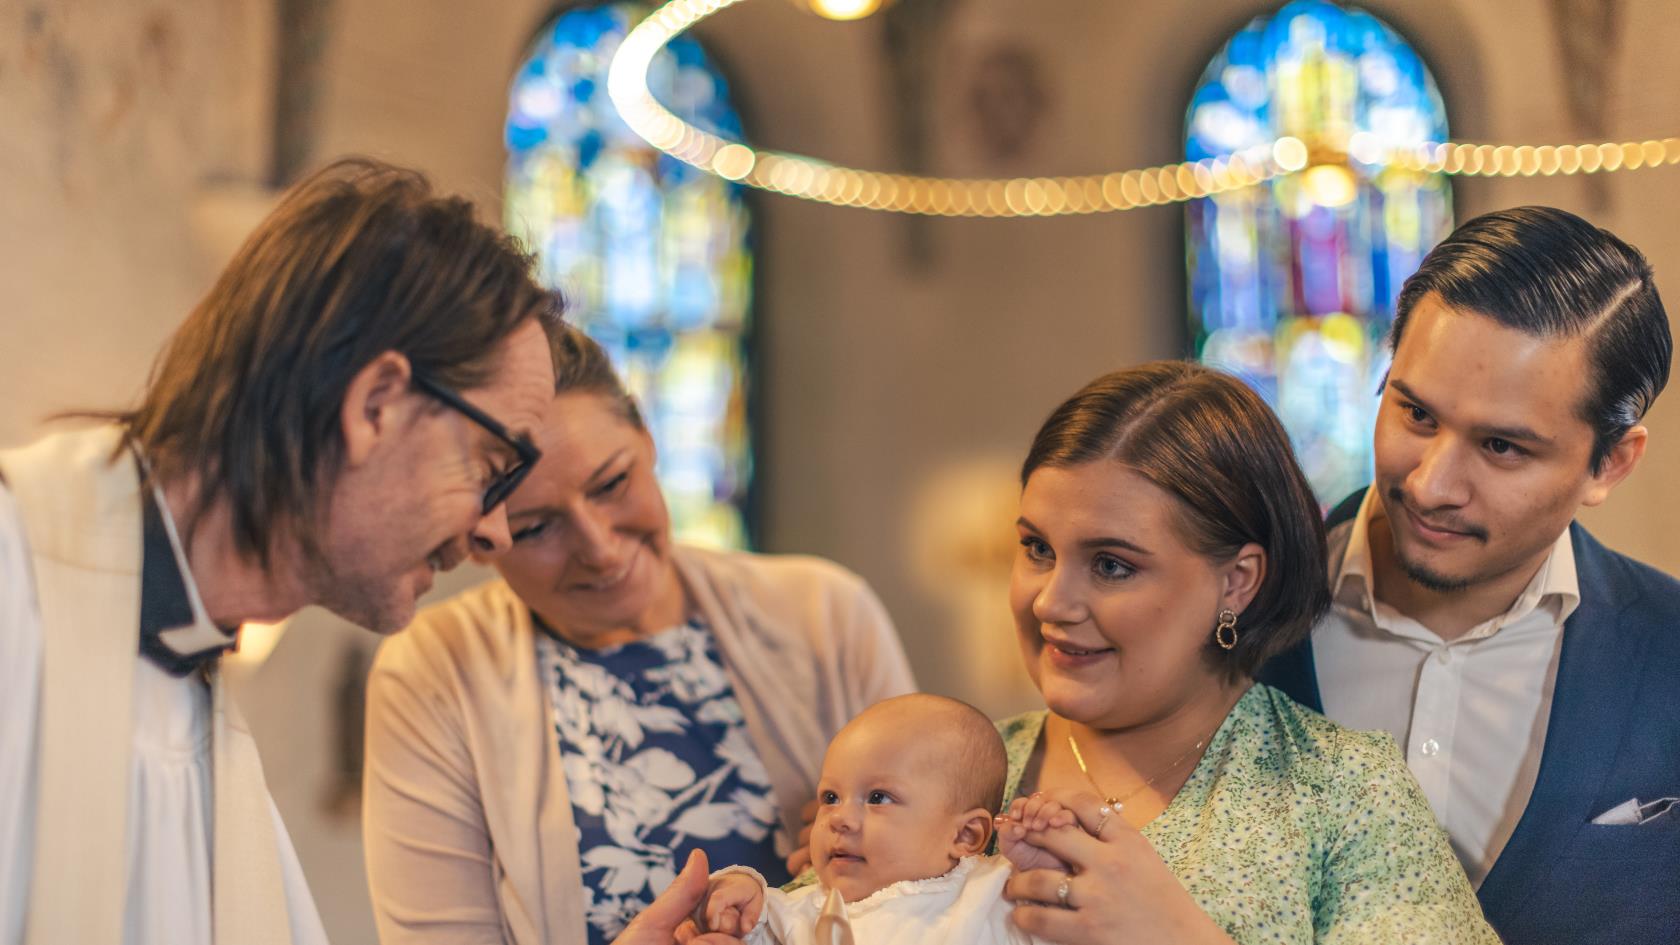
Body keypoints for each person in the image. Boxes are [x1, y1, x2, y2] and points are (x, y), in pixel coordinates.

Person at [0, 157, 560, 945]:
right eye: (496, 468)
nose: (494, 532)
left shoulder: (210, 736)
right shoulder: (12, 585)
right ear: (376, 404)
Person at [362, 324, 916, 945]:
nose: (599, 548)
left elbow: (950, 870)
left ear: (649, 440)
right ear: (480, 534)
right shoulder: (435, 674)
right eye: (538, 526)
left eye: (611, 483)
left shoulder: (826, 615)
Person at [1258, 206, 1680, 942]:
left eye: (1501, 446)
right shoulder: (1234, 618)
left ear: (1609, 462)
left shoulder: (1669, 649)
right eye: (1415, 412)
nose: (1429, 483)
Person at [990, 362, 1499, 945]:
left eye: (1111, 565)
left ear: (1237, 582)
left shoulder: (1342, 792)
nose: (1052, 602)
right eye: (1037, 548)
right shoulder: (955, 771)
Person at [682, 693, 1038, 945]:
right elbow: (751, 920)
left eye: (878, 798)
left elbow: (1070, 910)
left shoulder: (992, 890)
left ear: (965, 835)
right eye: (831, 798)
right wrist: (738, 889)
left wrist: (1045, 835)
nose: (840, 819)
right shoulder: (808, 908)